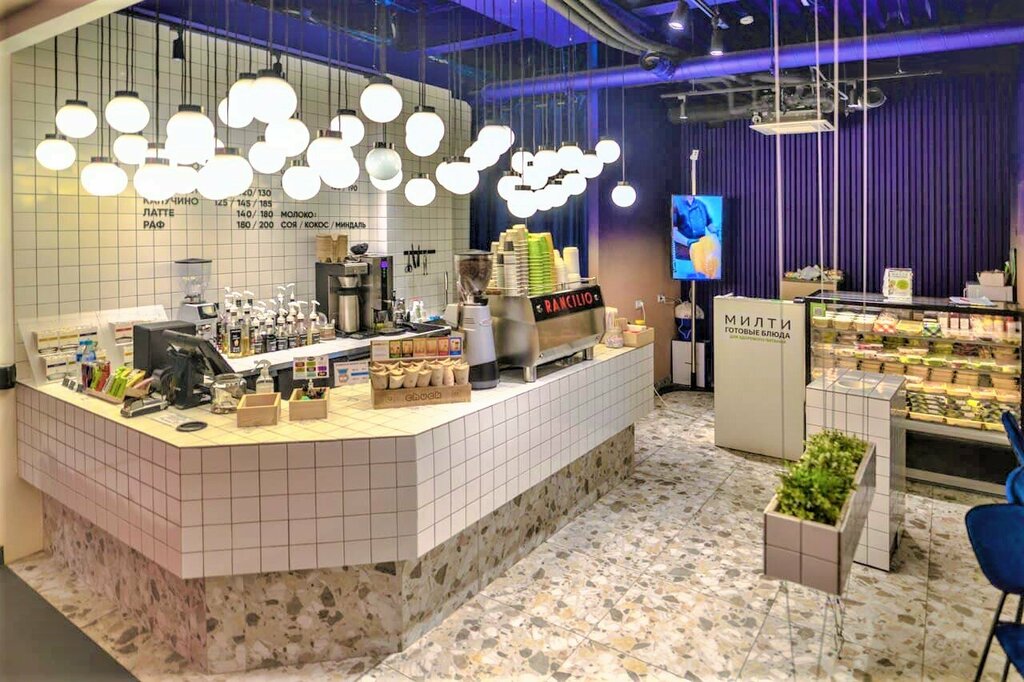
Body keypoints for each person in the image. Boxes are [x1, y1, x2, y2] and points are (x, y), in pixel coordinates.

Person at [672, 195, 713, 262]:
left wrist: (715, 232)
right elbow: (673, 232)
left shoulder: (701, 204)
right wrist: (688, 242)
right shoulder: (675, 203)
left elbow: (709, 223)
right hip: (682, 257)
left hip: (701, 254)